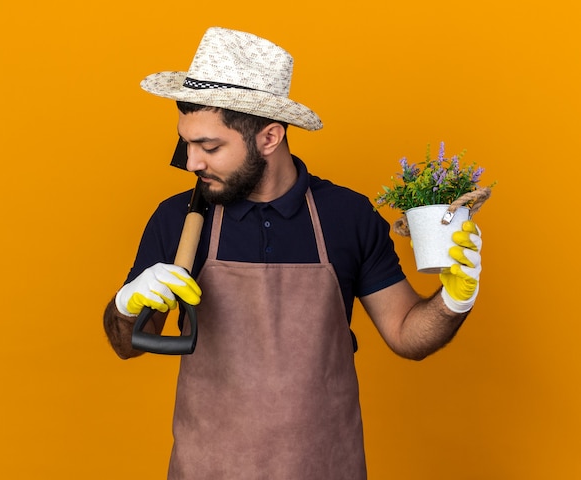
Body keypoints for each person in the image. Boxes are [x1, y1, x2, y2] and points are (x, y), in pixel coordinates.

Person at [103, 27, 483, 479]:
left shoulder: (346, 215)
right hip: (208, 469)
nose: (192, 163)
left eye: (210, 147)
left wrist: (452, 301)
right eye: (188, 143)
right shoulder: (177, 220)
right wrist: (128, 305)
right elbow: (128, 345)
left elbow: (406, 334)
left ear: (269, 138)